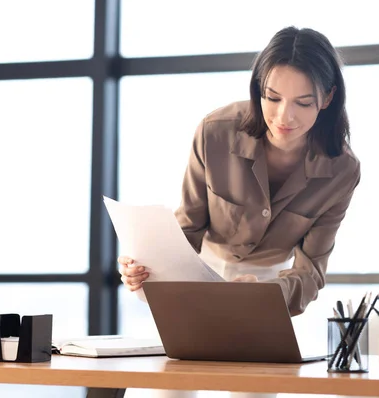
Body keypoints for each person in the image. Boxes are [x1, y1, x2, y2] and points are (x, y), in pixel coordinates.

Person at [118, 26, 361, 317]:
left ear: (328, 98)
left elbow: (310, 271)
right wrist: (147, 269)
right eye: (273, 98)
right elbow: (188, 227)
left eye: (303, 102)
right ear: (258, 88)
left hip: (272, 286)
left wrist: (268, 292)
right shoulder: (216, 132)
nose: (285, 116)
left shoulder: (342, 170)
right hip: (199, 273)